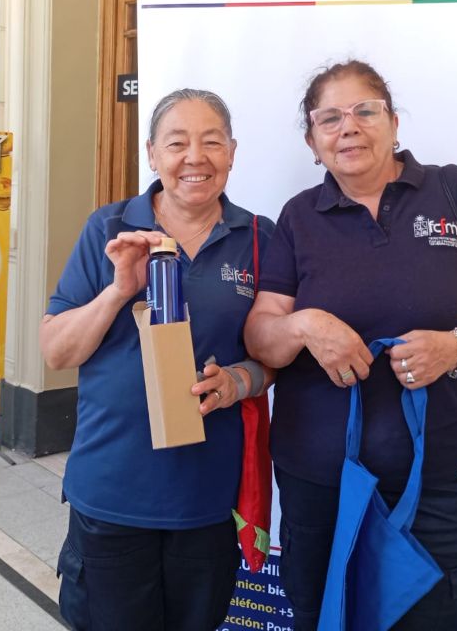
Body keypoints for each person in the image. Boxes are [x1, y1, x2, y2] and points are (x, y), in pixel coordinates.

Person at [244, 60, 457, 631]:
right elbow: (263, 338)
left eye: (365, 111)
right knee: (320, 617)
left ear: (394, 123)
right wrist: (305, 325)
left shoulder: (452, 191)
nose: (348, 127)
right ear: (312, 142)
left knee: (428, 620)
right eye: (329, 118)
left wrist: (455, 346)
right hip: (320, 480)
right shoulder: (299, 216)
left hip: (440, 479)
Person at [40, 88, 274, 631]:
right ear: (151, 153)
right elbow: (56, 351)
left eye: (212, 141)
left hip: (208, 498)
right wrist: (119, 290)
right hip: (112, 490)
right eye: (177, 143)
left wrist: (237, 381)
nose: (195, 157)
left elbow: (273, 360)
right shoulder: (109, 228)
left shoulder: (259, 238)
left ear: (232, 152)